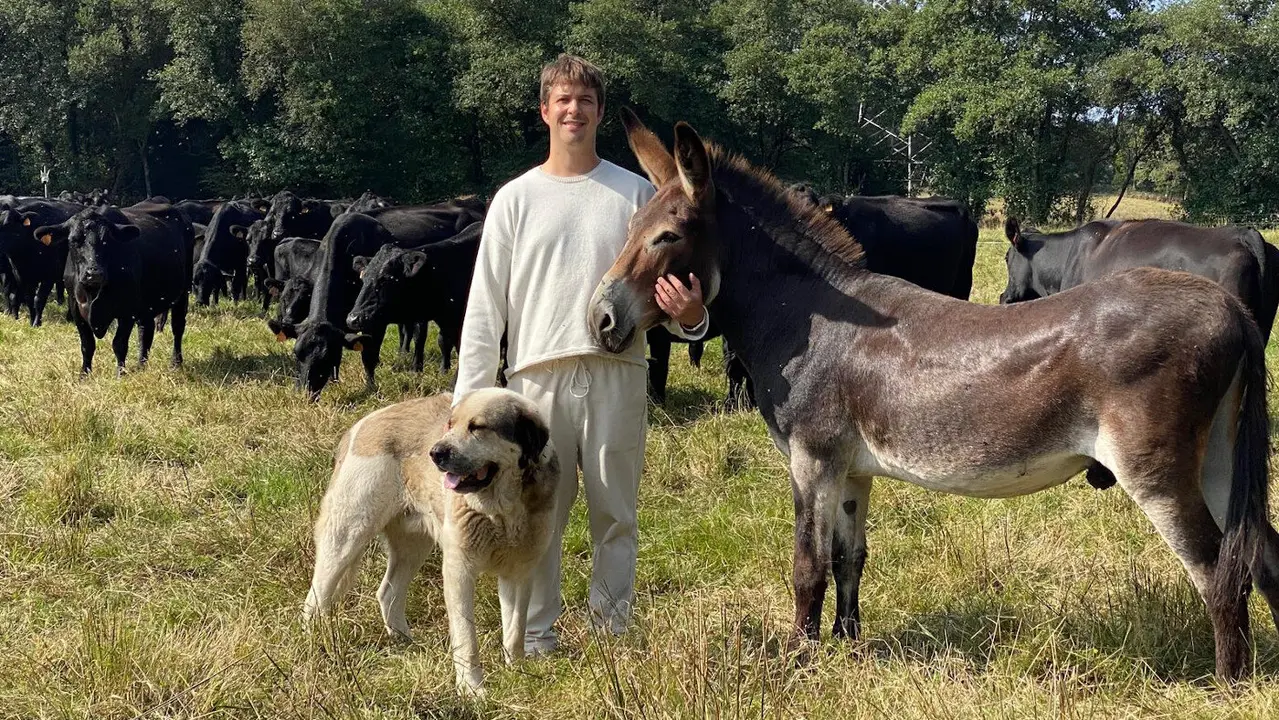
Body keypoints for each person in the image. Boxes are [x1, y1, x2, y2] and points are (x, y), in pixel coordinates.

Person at [452, 53, 708, 655]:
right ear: (545, 111)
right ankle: (537, 633)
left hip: (618, 372)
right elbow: (486, 306)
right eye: (563, 100)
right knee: (536, 511)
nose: (575, 110)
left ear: (597, 112)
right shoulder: (514, 199)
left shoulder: (637, 193)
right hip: (535, 380)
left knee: (615, 509)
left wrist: (693, 320)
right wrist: (468, 401)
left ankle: (611, 630)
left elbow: (668, 294)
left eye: (586, 101)